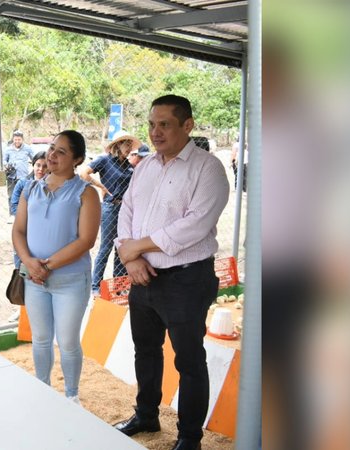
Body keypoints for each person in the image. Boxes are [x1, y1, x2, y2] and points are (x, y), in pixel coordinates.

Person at [112, 95, 229, 450]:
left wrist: (137, 246)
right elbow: (126, 210)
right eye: (151, 124)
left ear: (187, 125)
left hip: (186, 279)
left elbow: (194, 226)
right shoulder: (145, 166)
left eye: (164, 124)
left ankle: (189, 437)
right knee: (145, 350)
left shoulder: (208, 169)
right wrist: (130, 257)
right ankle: (146, 414)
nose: (155, 131)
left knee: (189, 359)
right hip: (142, 276)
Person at [12, 130, 100, 406]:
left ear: (78, 159)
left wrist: (46, 266)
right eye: (52, 148)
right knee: (40, 338)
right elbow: (19, 231)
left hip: (70, 280)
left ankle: (72, 396)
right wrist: (28, 262)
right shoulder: (30, 188)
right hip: (34, 279)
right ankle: (43, 389)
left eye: (61, 151)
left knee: (68, 340)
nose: (52, 154)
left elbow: (86, 240)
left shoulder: (86, 193)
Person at [77, 130, 145, 293]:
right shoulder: (105, 160)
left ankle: (119, 286)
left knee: (121, 247)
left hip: (126, 209)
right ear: (117, 145)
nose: (128, 148)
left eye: (130, 145)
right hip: (110, 207)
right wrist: (101, 187)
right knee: (106, 247)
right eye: (125, 144)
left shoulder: (128, 166)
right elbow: (83, 173)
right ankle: (95, 286)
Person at [4, 130, 33, 213]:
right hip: (11, 177)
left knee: (24, 195)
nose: (17, 141)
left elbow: (34, 159)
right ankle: (12, 215)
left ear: (22, 139)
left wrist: (31, 173)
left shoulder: (27, 148)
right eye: (15, 139)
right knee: (11, 196)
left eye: (19, 139)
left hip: (23, 176)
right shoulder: (8, 149)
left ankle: (24, 213)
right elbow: (3, 161)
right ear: (13, 139)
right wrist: (6, 165)